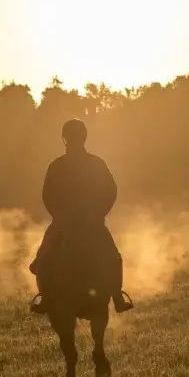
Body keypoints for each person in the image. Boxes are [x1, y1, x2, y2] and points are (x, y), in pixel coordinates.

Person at [29, 118, 133, 315]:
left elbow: (47, 195)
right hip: (89, 223)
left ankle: (44, 298)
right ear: (84, 137)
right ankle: (117, 297)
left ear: (64, 138)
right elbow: (111, 191)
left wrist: (59, 216)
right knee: (113, 258)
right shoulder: (96, 163)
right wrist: (99, 214)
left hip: (66, 223)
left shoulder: (57, 165)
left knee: (42, 259)